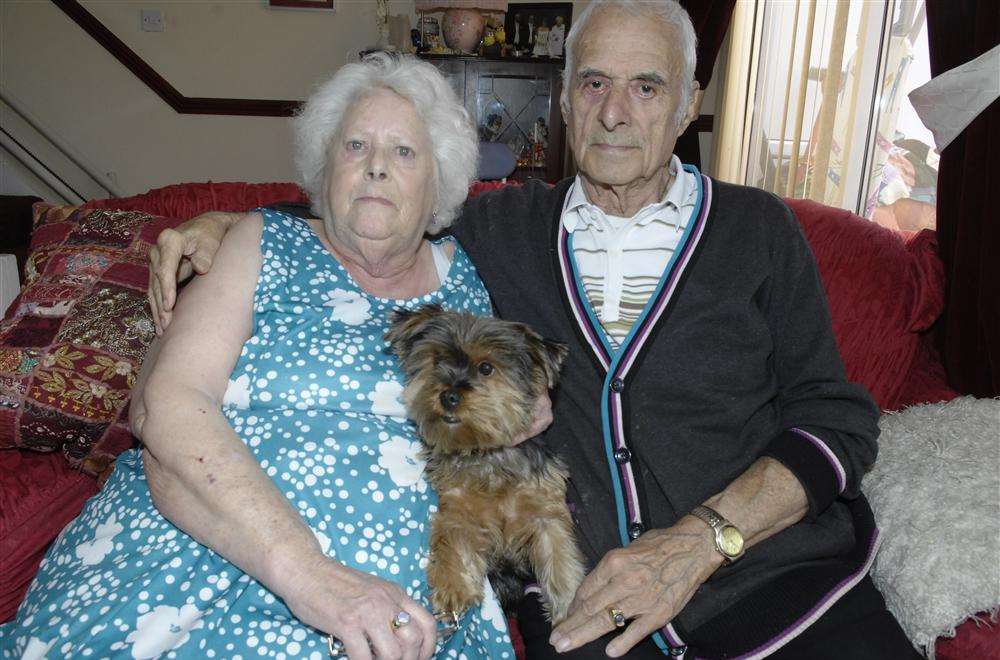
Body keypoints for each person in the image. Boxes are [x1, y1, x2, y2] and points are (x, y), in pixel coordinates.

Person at [149, 2, 920, 659]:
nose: (615, 113)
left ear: (689, 104)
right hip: (588, 616)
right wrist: (225, 226)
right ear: (563, 99)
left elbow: (835, 419)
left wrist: (699, 543)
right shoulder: (500, 227)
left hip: (784, 587)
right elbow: (370, 212)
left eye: (646, 87)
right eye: (594, 84)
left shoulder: (759, 229)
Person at [0, 53, 520, 660]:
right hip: (197, 540)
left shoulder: (470, 278)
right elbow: (169, 403)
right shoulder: (259, 242)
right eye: (355, 146)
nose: (377, 167)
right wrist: (308, 572)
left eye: (405, 152)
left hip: (401, 575)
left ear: (441, 181)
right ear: (323, 169)